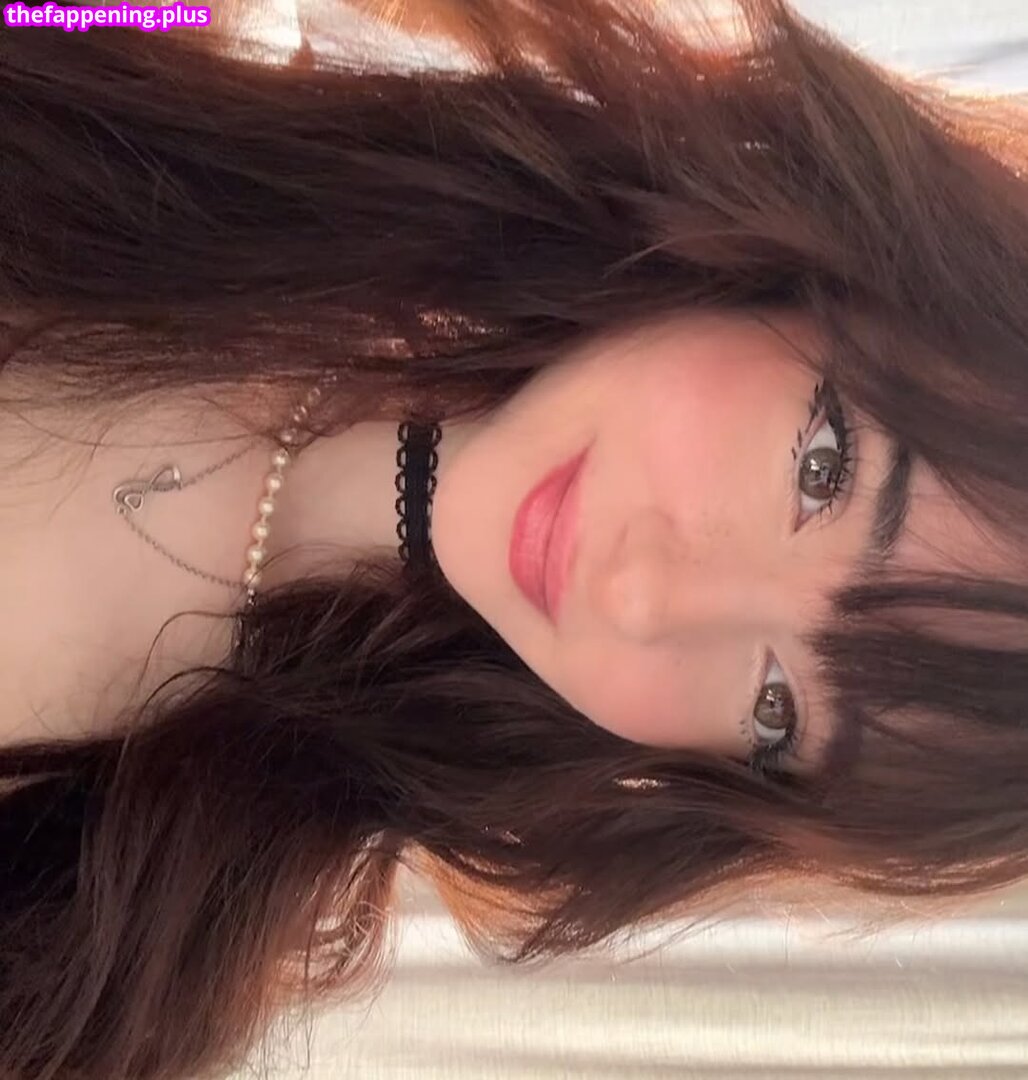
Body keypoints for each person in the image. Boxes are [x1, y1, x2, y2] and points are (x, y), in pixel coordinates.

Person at [0, 0, 1025, 1077]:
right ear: (825, 265)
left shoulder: (111, 955)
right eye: (822, 471)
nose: (638, 595)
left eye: (775, 709)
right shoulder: (169, 37)